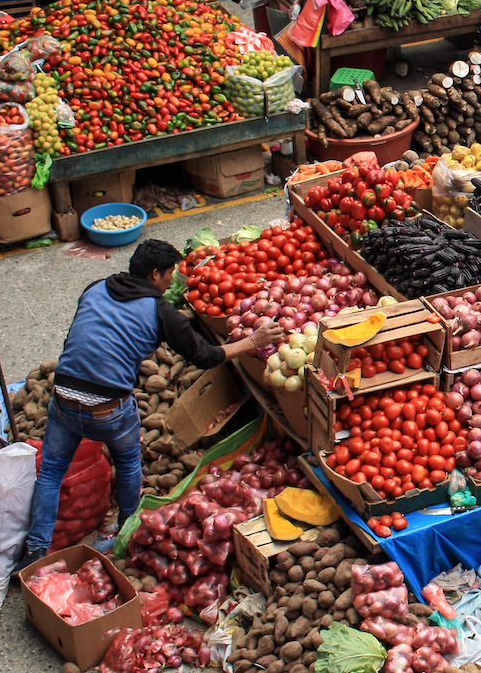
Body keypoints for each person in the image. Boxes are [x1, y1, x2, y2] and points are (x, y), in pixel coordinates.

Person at [15, 239, 284, 571]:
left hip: (64, 396)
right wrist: (252, 342)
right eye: (170, 273)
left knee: (52, 472)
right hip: (109, 409)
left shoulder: (95, 287)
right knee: (128, 463)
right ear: (155, 273)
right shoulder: (160, 311)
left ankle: (36, 549)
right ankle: (127, 530)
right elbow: (205, 356)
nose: (172, 280)